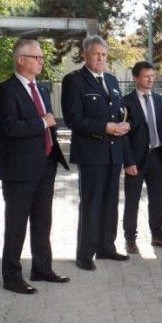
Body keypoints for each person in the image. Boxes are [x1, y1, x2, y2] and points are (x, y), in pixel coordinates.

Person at [0, 39, 70, 294]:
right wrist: (42, 123)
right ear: (20, 59)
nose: (40, 61)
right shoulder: (6, 90)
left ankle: (42, 269)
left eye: (41, 57)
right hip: (19, 170)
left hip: (46, 165)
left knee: (42, 221)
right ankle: (12, 277)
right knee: (16, 224)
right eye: (36, 57)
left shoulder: (42, 89)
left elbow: (49, 124)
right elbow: (10, 128)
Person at [61, 35, 130, 271]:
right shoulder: (75, 81)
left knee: (110, 203)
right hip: (91, 153)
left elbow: (117, 111)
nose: (100, 58)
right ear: (85, 55)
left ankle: (106, 247)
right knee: (91, 203)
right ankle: (85, 253)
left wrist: (122, 124)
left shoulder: (111, 79)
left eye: (103, 54)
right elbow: (74, 120)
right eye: (95, 54)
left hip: (113, 152)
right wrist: (105, 127)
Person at [121, 61, 162, 255]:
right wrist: (128, 161)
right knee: (132, 200)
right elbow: (123, 135)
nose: (151, 79)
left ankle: (157, 236)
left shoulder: (160, 100)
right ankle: (130, 239)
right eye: (146, 76)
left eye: (152, 75)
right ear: (136, 78)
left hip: (157, 157)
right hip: (135, 160)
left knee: (156, 199)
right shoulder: (126, 101)